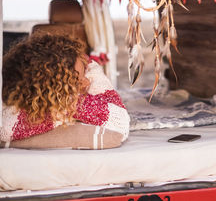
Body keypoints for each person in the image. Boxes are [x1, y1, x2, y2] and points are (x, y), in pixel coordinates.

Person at [0, 34, 130, 148]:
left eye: (84, 72)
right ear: (52, 89)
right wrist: (73, 102)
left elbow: (116, 109)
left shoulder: (75, 65)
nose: (87, 82)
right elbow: (120, 124)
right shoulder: (18, 118)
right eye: (76, 80)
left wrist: (88, 66)